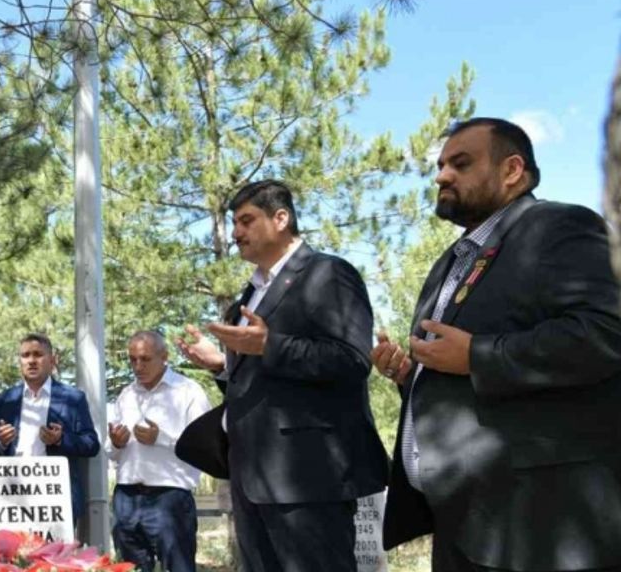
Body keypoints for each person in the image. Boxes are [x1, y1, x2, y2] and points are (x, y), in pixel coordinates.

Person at [372, 118, 621, 572]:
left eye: (460, 163)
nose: (442, 175)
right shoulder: (449, 263)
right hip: (461, 522)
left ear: (512, 170)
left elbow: (606, 333)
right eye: (440, 165)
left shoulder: (561, 226)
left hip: (537, 531)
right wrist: (411, 375)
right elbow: (458, 376)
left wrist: (476, 355)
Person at [177, 179, 387, 572]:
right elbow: (259, 381)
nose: (236, 233)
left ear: (280, 218)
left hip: (309, 479)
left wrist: (269, 345)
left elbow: (352, 359)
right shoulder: (248, 296)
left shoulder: (328, 273)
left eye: (246, 221)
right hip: (251, 478)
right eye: (233, 223)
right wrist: (222, 366)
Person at [107, 330, 210, 572]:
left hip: (170, 496)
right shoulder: (126, 394)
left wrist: (161, 439)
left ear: (164, 356)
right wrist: (116, 443)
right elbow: (111, 453)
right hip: (126, 496)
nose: (138, 366)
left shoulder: (188, 391)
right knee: (130, 569)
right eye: (132, 359)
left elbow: (204, 446)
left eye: (145, 359)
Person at [0, 333, 101, 525]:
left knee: (55, 547)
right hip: (13, 494)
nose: (31, 361)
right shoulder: (7, 398)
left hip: (57, 496)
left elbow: (91, 444)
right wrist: (1, 441)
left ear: (52, 361)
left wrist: (60, 439)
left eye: (38, 354)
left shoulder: (73, 398)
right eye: (25, 355)